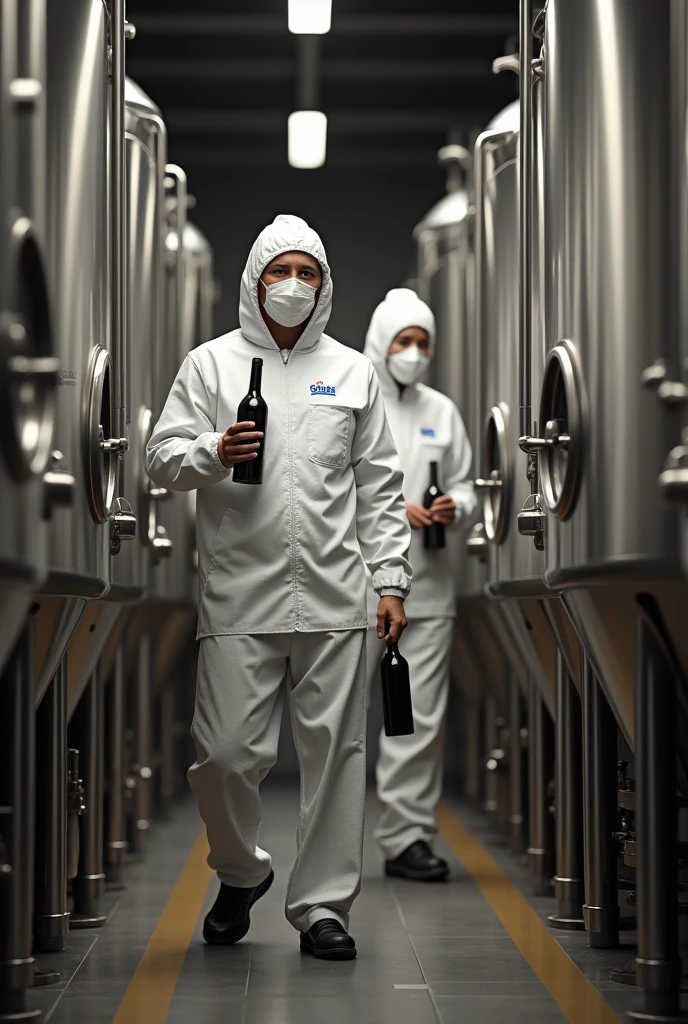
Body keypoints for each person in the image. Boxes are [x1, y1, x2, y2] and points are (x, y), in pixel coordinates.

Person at [146, 215, 411, 960]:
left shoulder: (354, 371)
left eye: (307, 273)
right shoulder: (211, 366)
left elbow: (381, 488)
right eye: (278, 272)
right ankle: (241, 872)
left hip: (336, 594)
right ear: (254, 281)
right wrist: (211, 450)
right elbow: (160, 458)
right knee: (224, 756)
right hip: (239, 593)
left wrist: (390, 580)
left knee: (337, 758)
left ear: (324, 288)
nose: (292, 285)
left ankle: (323, 908)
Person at [363, 288, 475, 882]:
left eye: (422, 343)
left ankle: (406, 836)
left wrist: (459, 505)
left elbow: (466, 481)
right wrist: (389, 512)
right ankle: (325, 847)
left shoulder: (442, 410)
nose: (412, 353)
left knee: (416, 718)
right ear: (381, 340)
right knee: (333, 718)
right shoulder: (355, 396)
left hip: (428, 588)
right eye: (403, 341)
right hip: (354, 588)